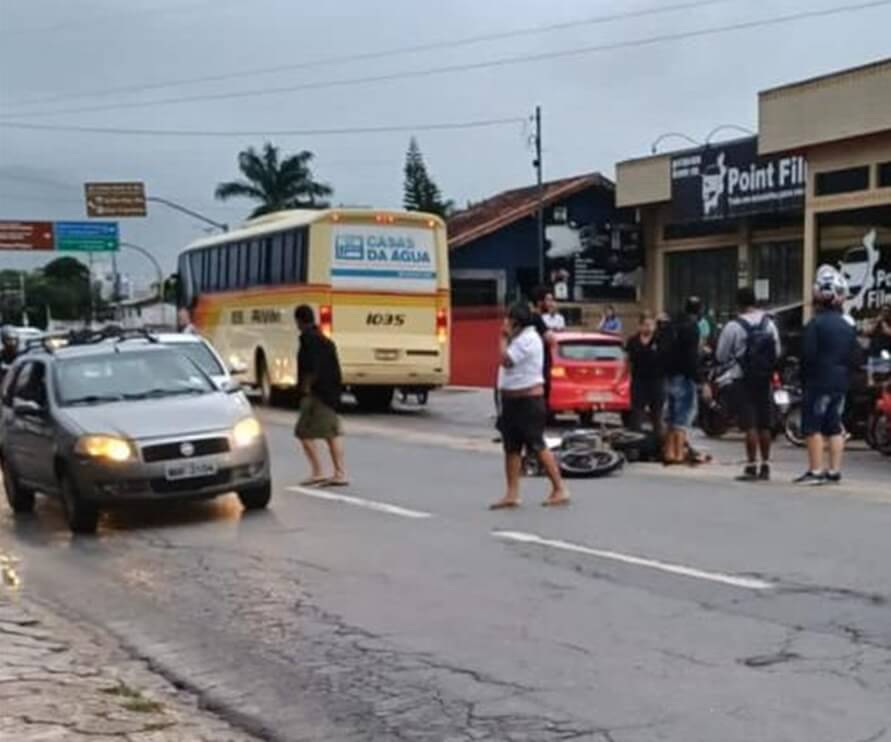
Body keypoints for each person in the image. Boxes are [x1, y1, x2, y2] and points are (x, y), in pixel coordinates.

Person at [491, 303, 569, 510]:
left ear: (517, 323)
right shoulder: (519, 339)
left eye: (508, 319)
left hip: (527, 402)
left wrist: (502, 338)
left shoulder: (527, 340)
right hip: (512, 401)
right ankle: (512, 493)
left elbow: (506, 361)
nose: (505, 323)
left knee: (536, 444)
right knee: (511, 447)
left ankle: (559, 487)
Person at [795, 266, 860, 486]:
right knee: (834, 425)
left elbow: (807, 356)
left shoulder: (815, 324)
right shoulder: (847, 325)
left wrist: (803, 379)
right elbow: (856, 357)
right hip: (840, 382)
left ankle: (815, 470)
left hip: (818, 381)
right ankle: (834, 471)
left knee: (812, 426)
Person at [716, 287, 782, 481]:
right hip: (764, 379)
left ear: (738, 303)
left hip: (742, 379)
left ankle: (751, 465)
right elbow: (777, 351)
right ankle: (766, 465)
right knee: (765, 423)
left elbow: (721, 355)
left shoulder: (733, 326)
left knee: (750, 424)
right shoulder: (769, 323)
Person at [294, 304, 348, 487]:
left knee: (304, 431)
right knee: (331, 433)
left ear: (299, 321)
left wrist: (307, 387)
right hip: (331, 393)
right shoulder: (324, 340)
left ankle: (323, 472)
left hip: (318, 394)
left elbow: (312, 367)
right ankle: (337, 472)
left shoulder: (309, 340)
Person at [661, 298, 702, 464]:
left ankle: (668, 452)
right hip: (684, 376)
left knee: (671, 417)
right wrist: (698, 378)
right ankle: (679, 454)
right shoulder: (692, 328)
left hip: (669, 375)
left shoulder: (671, 325)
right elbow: (692, 357)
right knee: (682, 417)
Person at [624, 311, 664, 437]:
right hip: (639, 381)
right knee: (636, 414)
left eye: (651, 325)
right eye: (646, 325)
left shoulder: (660, 340)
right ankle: (635, 443)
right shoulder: (632, 341)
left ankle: (659, 443)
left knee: (656, 415)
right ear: (640, 326)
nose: (648, 328)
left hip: (656, 381)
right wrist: (626, 376)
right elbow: (628, 361)